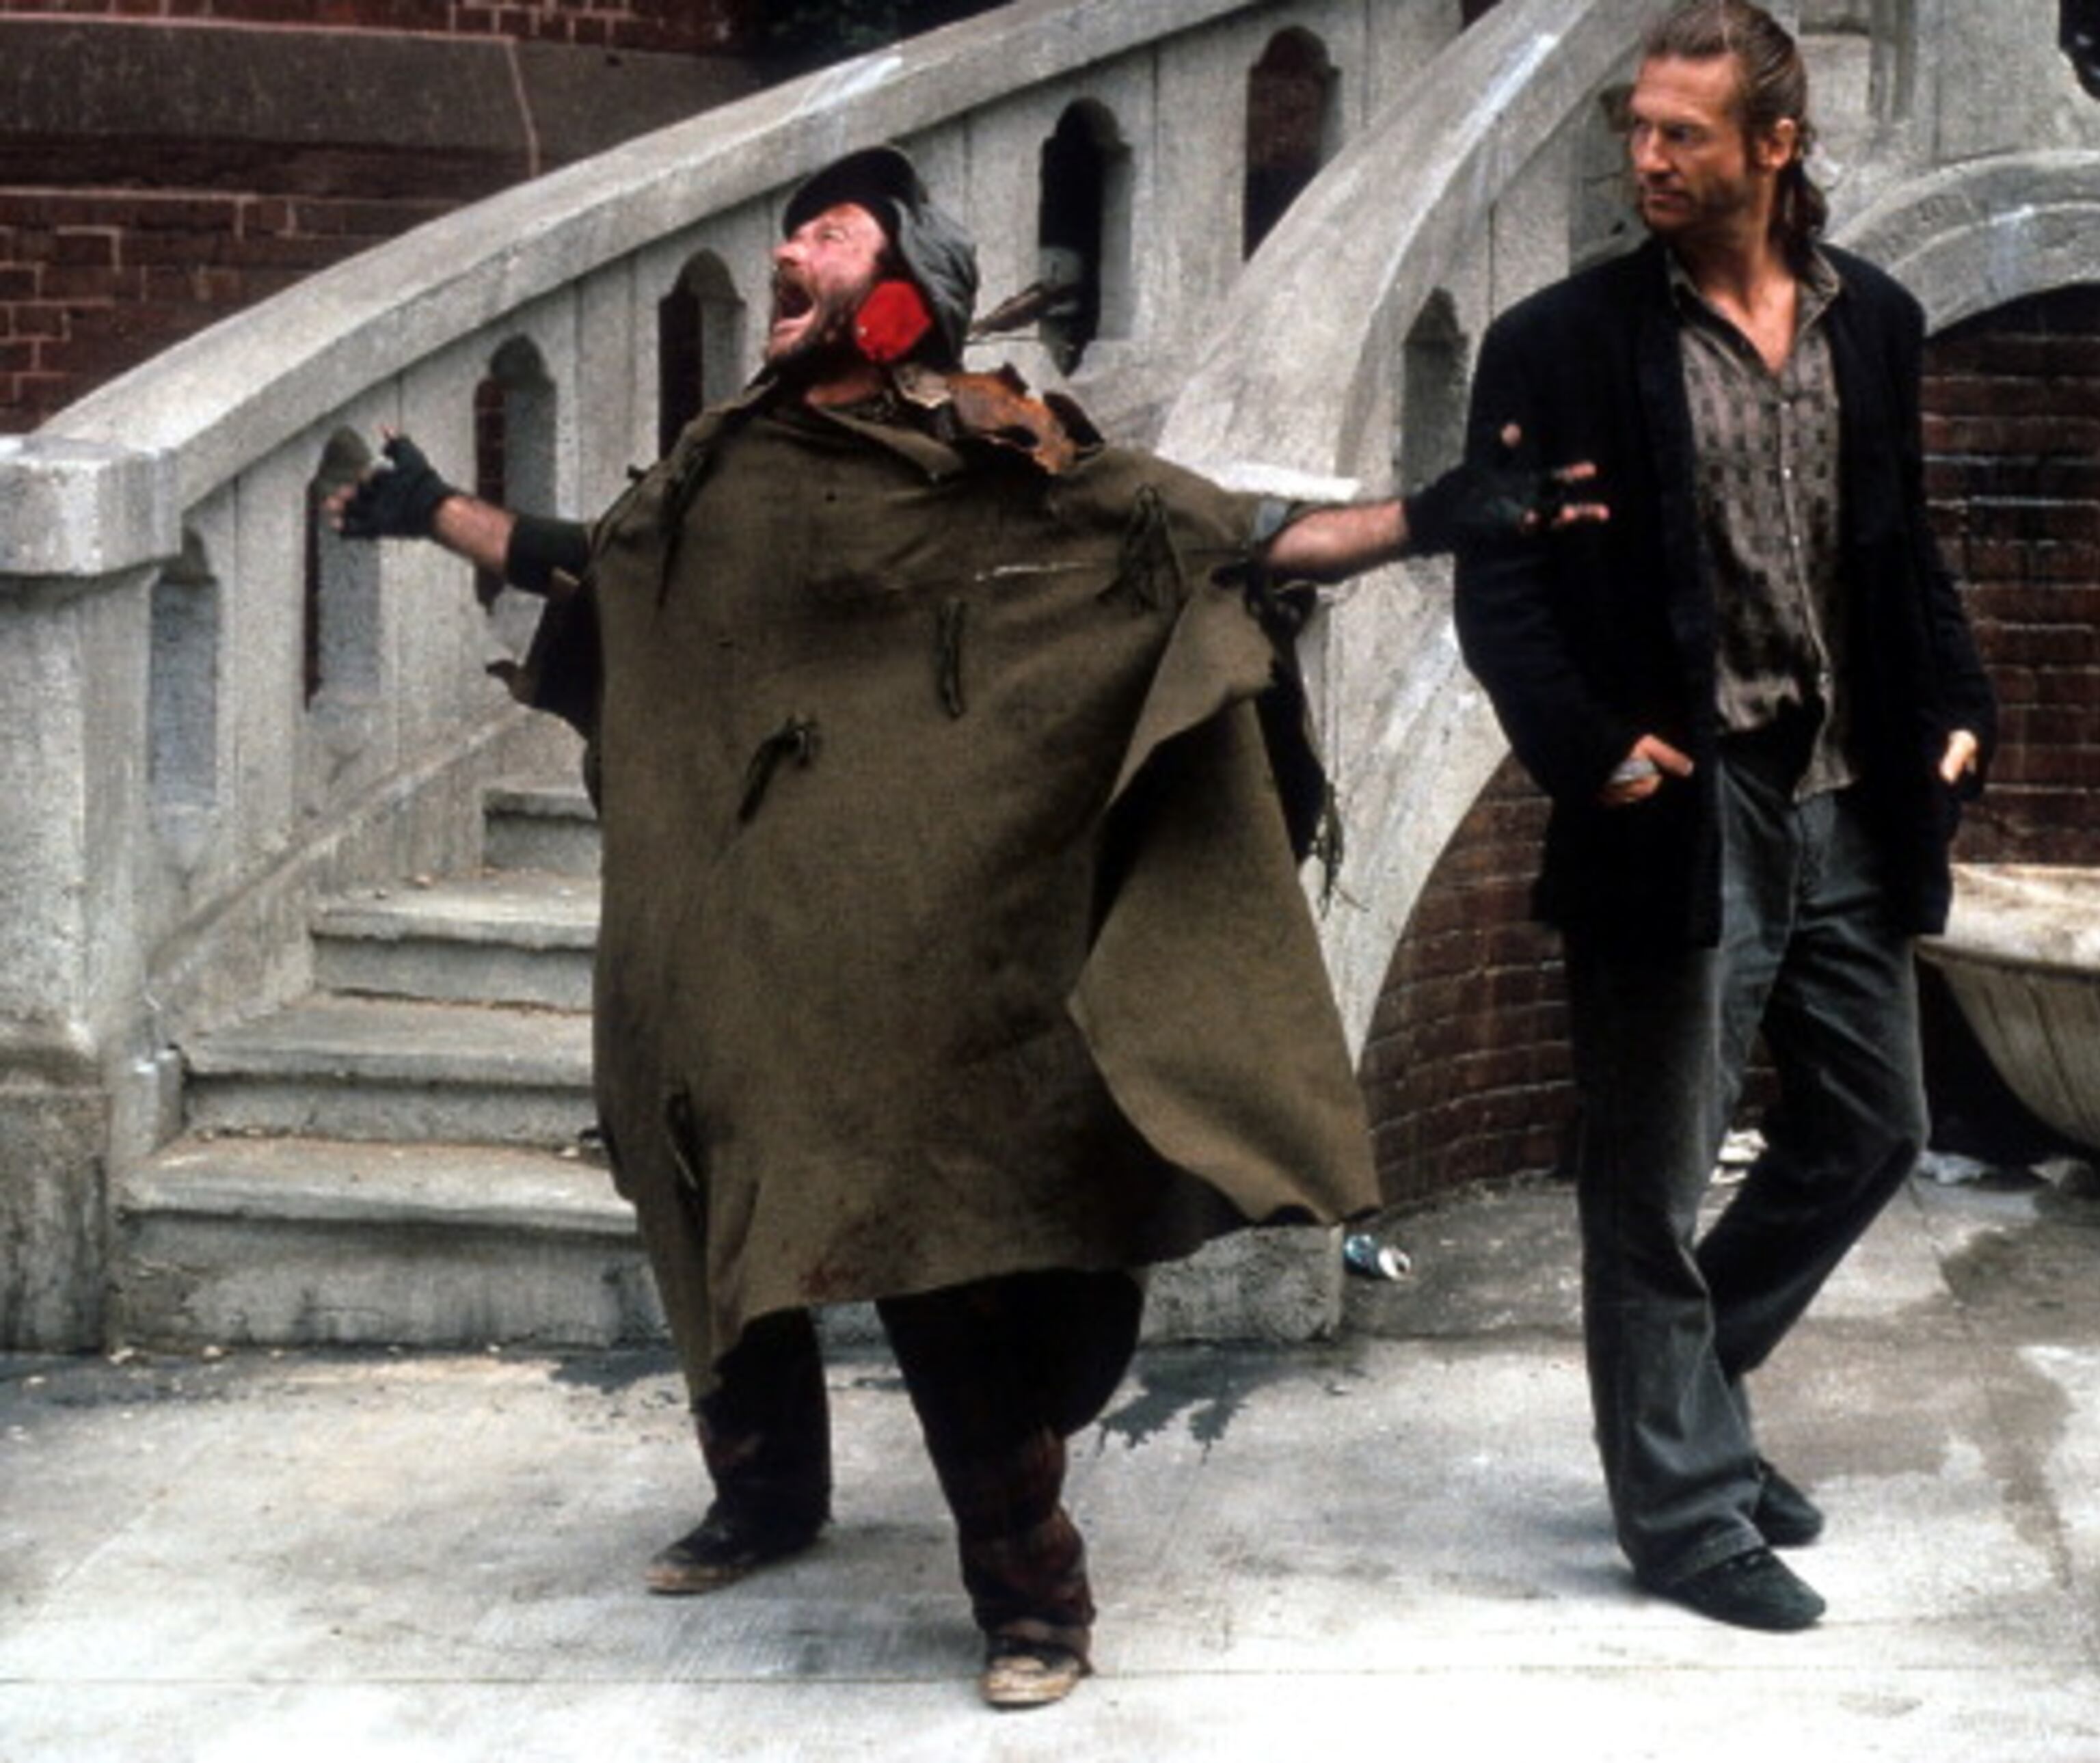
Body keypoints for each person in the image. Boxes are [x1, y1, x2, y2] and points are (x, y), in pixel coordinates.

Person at [331, 144, 1595, 1710]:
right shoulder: (722, 466)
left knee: (935, 1245)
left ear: (905, 290)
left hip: (913, 959)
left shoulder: (1002, 450)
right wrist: (431, 509)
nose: (787, 255)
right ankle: (764, 1498)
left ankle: (1034, 1601)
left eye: (828, 233)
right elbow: (596, 560)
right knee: (701, 1190)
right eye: (789, 234)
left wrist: (1433, 517)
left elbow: (1212, 538)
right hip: (727, 941)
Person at [1451, 1, 1997, 1633]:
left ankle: (1690, 1388)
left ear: (1776, 145)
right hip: (1683, 802)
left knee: (1871, 1126)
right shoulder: (1558, 345)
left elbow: (1900, 546)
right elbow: (1502, 586)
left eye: (1680, 134)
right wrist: (1589, 752)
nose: (1646, 158)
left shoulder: (1872, 319)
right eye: (1636, 128)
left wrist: (1960, 706)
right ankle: (1686, 1516)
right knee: (1651, 1172)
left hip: (1847, 788)